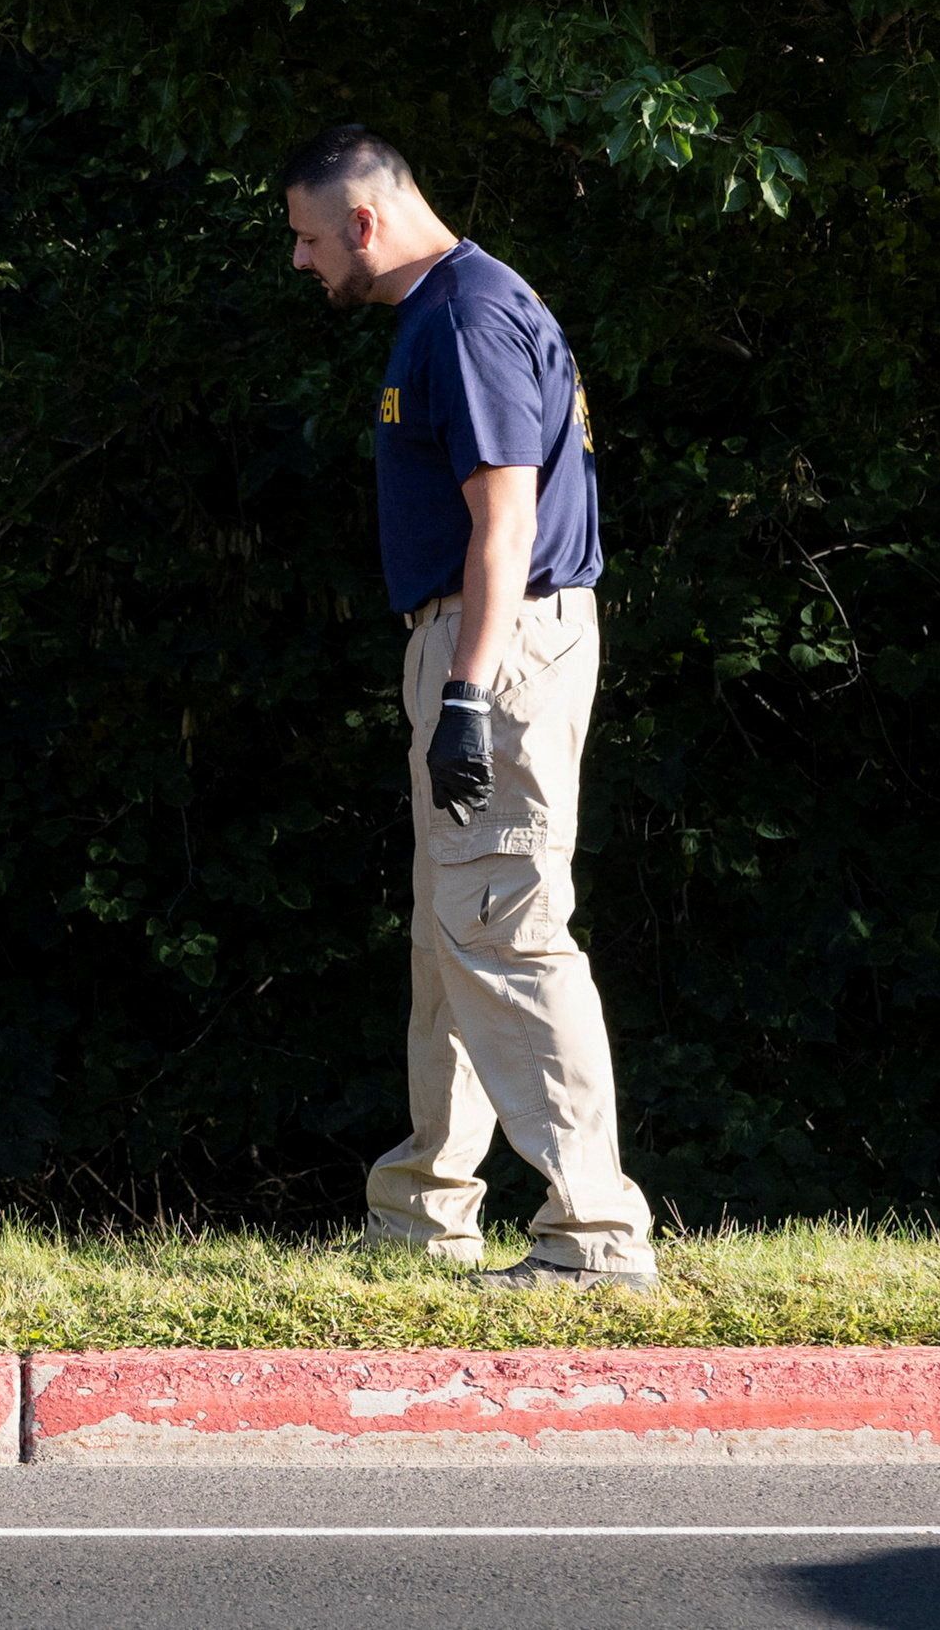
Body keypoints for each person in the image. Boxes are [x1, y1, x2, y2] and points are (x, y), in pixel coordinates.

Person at [281, 124, 658, 1293]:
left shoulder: (465, 313)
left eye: (305, 238)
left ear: (362, 220)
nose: (301, 263)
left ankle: (593, 1238)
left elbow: (507, 522)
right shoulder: (453, 308)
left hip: (498, 643)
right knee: (454, 926)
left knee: (504, 920)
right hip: (478, 638)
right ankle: (422, 1215)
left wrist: (464, 693)